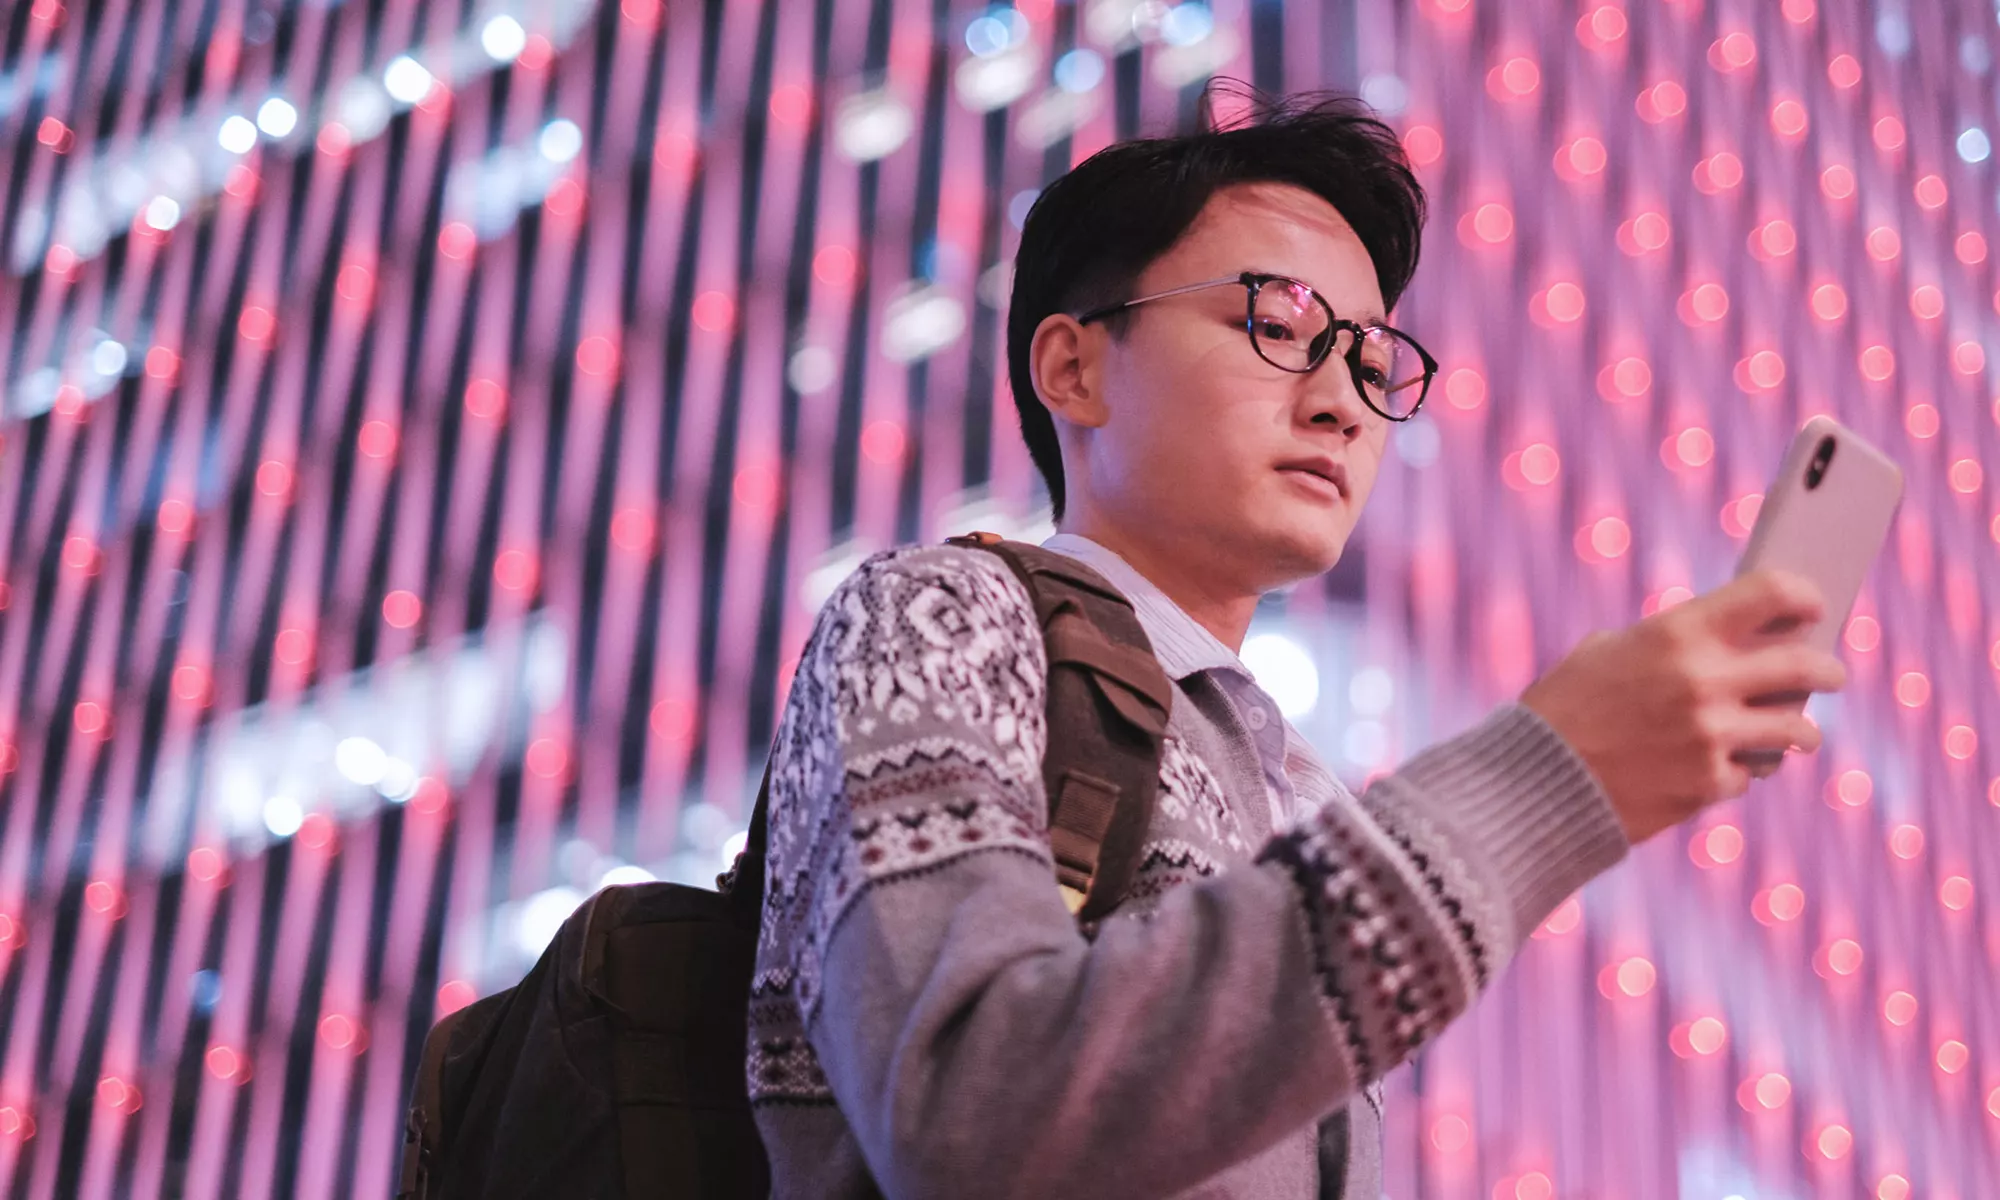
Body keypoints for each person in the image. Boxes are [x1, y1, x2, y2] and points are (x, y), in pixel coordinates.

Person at [745, 87, 1847, 1199]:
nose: (1343, 405)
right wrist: (1547, 778)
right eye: (1274, 325)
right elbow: (969, 1114)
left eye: (1372, 363)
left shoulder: (1295, 783)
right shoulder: (937, 616)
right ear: (1072, 369)